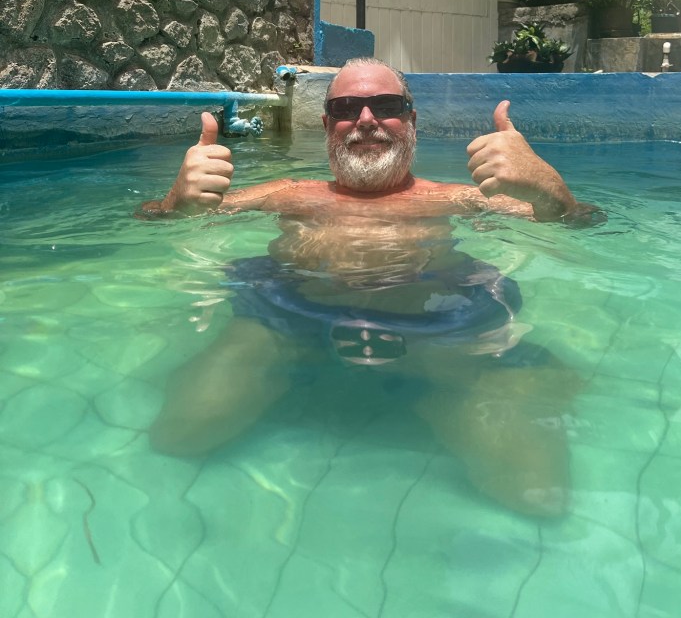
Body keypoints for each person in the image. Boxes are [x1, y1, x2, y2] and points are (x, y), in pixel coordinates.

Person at [141, 57, 601, 516]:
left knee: (535, 490)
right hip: (289, 316)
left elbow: (581, 227)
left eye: (385, 106)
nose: (365, 120)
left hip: (438, 331)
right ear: (327, 125)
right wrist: (176, 201)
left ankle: (439, 392)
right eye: (345, 108)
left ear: (411, 120)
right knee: (181, 432)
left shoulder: (459, 198)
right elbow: (160, 220)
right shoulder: (285, 193)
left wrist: (550, 191)